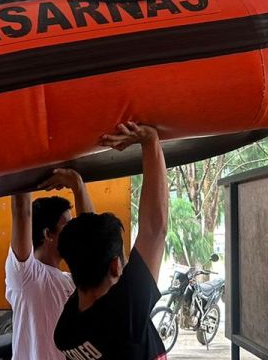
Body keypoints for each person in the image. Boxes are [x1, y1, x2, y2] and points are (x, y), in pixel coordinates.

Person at [54, 122, 168, 360]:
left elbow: (87, 243)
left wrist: (78, 186)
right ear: (116, 266)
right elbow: (153, 230)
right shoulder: (124, 315)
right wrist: (150, 141)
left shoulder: (67, 330)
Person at [6, 168, 94, 360]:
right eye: (67, 226)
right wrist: (29, 159)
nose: (74, 232)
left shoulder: (71, 281)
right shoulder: (27, 275)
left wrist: (78, 186)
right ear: (48, 234)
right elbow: (22, 211)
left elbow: (95, 240)